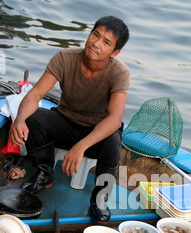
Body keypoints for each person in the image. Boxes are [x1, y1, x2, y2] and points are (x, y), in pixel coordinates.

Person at [9, 15, 130, 222]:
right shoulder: (65, 58)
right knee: (33, 118)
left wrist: (81, 146)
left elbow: (114, 119)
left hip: (95, 134)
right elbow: (35, 94)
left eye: (106, 42)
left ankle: (100, 199)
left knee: (113, 140)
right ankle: (44, 174)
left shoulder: (119, 73)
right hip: (65, 122)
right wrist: (19, 120)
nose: (96, 43)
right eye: (95, 34)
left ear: (115, 52)